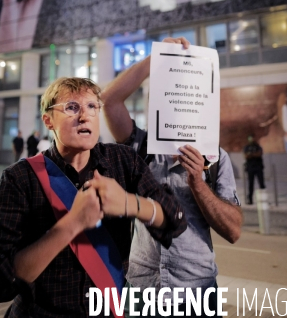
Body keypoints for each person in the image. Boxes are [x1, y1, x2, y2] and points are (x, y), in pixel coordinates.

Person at [0, 77, 186, 318]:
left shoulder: (122, 161)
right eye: (71, 107)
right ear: (48, 121)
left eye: (92, 106)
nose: (84, 116)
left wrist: (129, 203)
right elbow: (1, 282)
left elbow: (176, 218)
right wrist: (71, 224)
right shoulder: (20, 178)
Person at [102, 37, 242, 317]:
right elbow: (109, 100)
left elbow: (233, 230)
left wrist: (198, 184)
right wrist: (156, 59)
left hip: (196, 290)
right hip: (143, 289)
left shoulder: (215, 158)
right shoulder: (140, 147)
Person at [243, 135, 265, 205]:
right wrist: (253, 155)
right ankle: (250, 199)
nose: (251, 140)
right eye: (250, 138)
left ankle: (263, 199)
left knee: (261, 184)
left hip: (258, 167)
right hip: (250, 168)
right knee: (250, 184)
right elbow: (246, 156)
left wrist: (251, 154)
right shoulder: (247, 147)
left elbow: (259, 154)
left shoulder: (257, 146)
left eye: (252, 138)